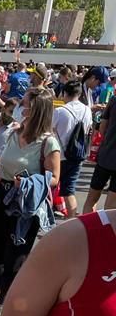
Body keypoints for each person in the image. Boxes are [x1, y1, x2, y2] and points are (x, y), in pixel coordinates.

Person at [0, 86, 61, 316]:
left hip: (25, 203)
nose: (20, 107)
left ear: (37, 109)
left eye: (25, 103)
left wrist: (28, 182)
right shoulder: (14, 133)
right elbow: (4, 167)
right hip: (3, 197)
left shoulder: (49, 142)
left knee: (15, 256)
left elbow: (55, 178)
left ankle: (4, 305)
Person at [52, 80, 92, 218]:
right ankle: (72, 220)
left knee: (49, 187)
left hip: (57, 156)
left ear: (64, 93)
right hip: (77, 155)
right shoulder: (87, 110)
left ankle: (44, 218)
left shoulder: (59, 111)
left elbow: (49, 131)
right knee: (69, 191)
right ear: (80, 94)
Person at [81, 94, 116, 215]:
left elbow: (102, 126)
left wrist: (108, 140)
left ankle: (86, 230)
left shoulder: (114, 99)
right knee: (111, 208)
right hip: (108, 156)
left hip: (106, 155)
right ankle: (106, 232)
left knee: (91, 200)